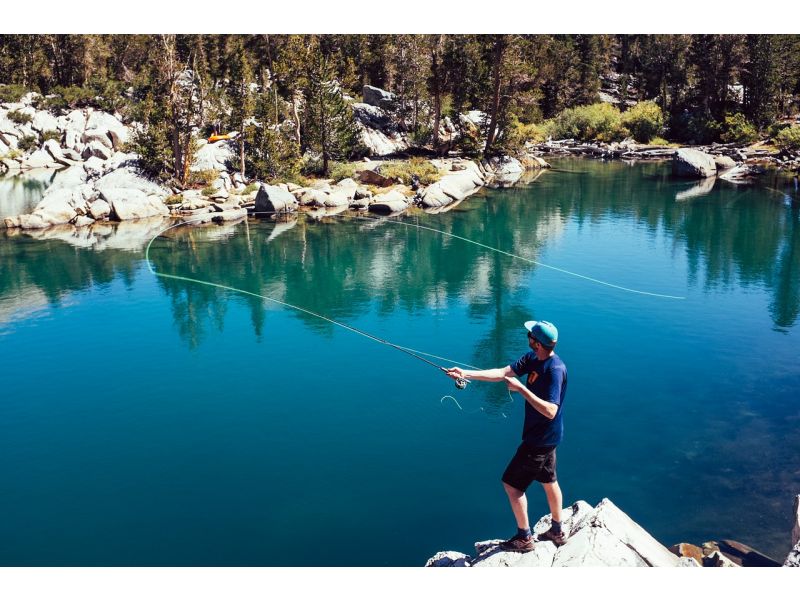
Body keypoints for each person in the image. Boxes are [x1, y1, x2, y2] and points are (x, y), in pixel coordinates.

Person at [446, 320, 568, 553]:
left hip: (540, 439)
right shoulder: (533, 358)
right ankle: (557, 530)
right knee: (549, 480)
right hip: (548, 437)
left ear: (537, 342)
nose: (527, 336)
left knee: (512, 485)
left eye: (530, 334)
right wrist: (466, 374)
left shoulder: (554, 369)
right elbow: (502, 373)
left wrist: (522, 390)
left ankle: (524, 538)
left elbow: (551, 410)